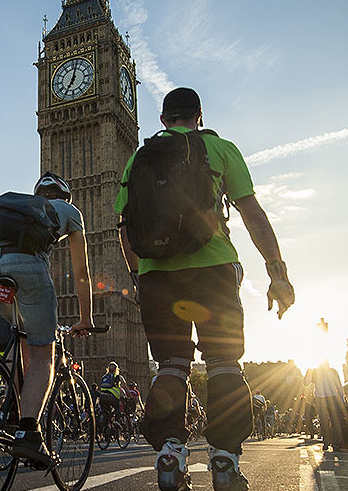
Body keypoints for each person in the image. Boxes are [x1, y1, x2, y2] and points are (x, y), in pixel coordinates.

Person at [116, 87, 295, 491]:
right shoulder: (221, 150)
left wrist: (138, 276)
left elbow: (124, 230)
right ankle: (225, 458)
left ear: (162, 121)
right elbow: (252, 213)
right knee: (224, 361)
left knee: (172, 365)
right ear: (199, 115)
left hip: (156, 277)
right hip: (213, 268)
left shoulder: (136, 159)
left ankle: (170, 451)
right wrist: (277, 272)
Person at [0, 171, 94, 465]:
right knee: (44, 355)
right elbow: (81, 273)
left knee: (22, 335)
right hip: (27, 268)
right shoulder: (69, 211)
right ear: (64, 196)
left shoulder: (21, 206)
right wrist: (86, 318)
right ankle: (29, 432)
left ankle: (11, 409)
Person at [305, 361, 344, 451]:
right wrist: (308, 373)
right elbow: (306, 383)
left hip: (332, 397)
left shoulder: (333, 371)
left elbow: (339, 385)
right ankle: (327, 442)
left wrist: (341, 399)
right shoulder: (314, 372)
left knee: (335, 421)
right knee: (324, 420)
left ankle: (335, 443)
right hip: (320, 398)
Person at [99, 361, 130, 428]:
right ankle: (117, 423)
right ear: (116, 369)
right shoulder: (118, 377)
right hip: (112, 398)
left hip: (102, 397)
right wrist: (130, 397)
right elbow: (125, 388)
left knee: (106, 414)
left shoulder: (104, 377)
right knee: (117, 409)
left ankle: (105, 429)